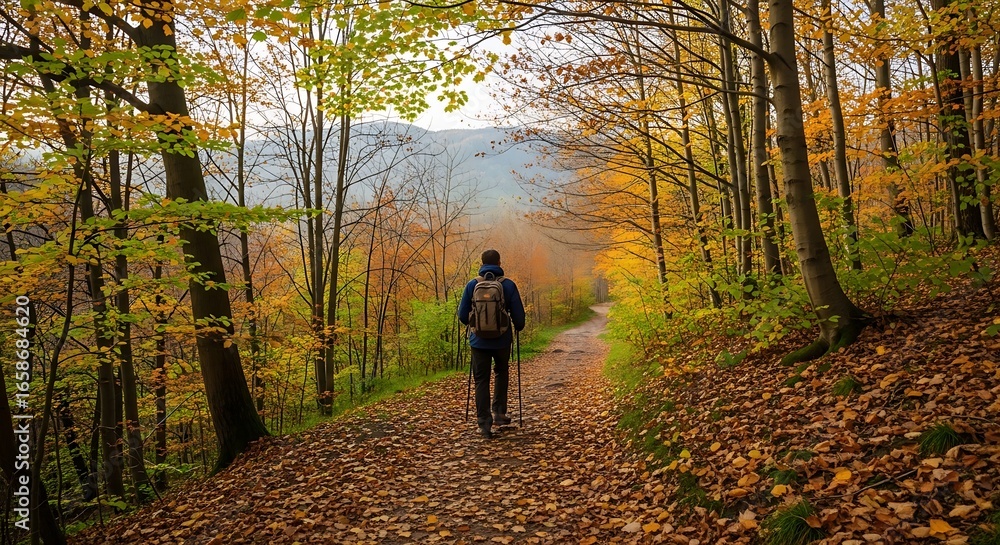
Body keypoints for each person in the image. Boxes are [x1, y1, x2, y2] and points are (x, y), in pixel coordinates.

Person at [458, 249, 526, 439]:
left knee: (481, 379)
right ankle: (499, 413)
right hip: (502, 340)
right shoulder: (508, 285)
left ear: (482, 262)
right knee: (501, 372)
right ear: (498, 262)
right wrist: (518, 326)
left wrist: (476, 325)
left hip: (478, 341)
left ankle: (484, 424)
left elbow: (463, 315)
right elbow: (519, 317)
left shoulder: (472, 285)